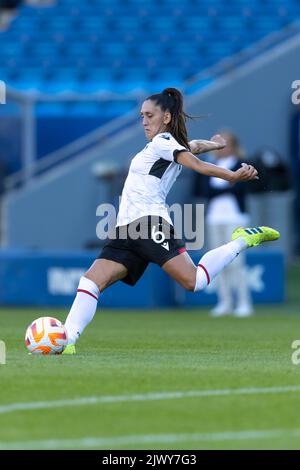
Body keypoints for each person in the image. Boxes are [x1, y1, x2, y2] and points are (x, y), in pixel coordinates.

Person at [63, 88, 280, 354]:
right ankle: (67, 341)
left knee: (195, 282)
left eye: (149, 115)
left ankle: (242, 241)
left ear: (166, 117)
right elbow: (194, 147)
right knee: (90, 281)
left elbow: (197, 165)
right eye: (141, 115)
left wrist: (232, 176)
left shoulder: (162, 142)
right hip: (125, 230)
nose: (144, 121)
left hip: (149, 225)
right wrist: (215, 145)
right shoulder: (164, 144)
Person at [205, 131, 253, 317]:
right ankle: (224, 302)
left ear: (233, 146)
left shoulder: (240, 164)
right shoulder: (210, 165)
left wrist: (227, 187)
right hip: (214, 218)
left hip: (235, 218)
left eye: (225, 144)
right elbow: (205, 190)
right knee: (218, 261)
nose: (222, 148)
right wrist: (229, 186)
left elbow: (241, 189)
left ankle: (243, 302)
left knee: (237, 262)